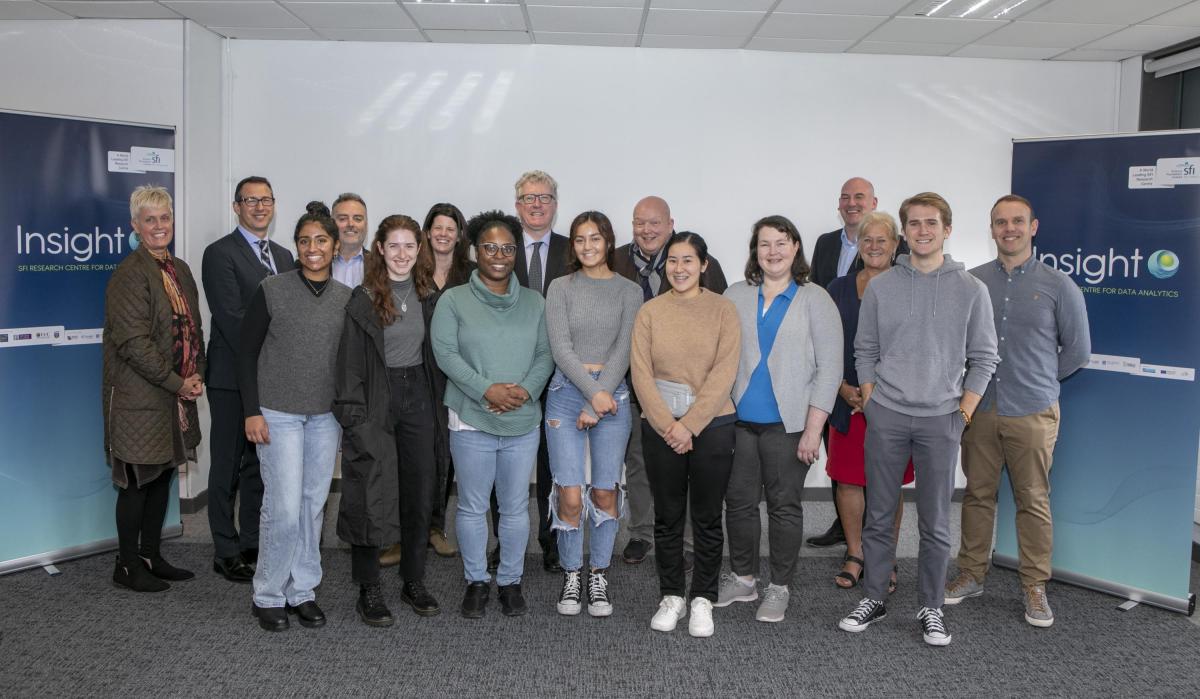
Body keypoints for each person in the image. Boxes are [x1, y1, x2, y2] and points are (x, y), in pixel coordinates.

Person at [837, 193, 998, 647]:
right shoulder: (883, 286)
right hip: (886, 415)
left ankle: (931, 606)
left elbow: (984, 358)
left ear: (947, 229)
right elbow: (864, 349)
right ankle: (874, 596)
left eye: (931, 223)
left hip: (942, 420)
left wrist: (962, 412)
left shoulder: (971, 290)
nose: (922, 231)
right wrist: (871, 400)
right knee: (880, 514)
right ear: (904, 232)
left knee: (935, 522)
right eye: (914, 223)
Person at [944, 195, 1090, 628]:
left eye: (1017, 221)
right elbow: (957, 346)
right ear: (991, 229)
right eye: (1000, 222)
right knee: (977, 495)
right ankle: (971, 573)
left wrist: (1041, 382)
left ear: (1033, 226)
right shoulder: (972, 283)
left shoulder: (1059, 285)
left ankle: (1034, 585)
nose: (1009, 229)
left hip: (1032, 411)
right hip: (980, 409)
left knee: (1033, 500)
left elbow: (1078, 351)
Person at [717, 216, 842, 623]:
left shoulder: (815, 299)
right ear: (755, 250)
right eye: (765, 244)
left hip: (789, 427)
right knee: (738, 503)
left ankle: (780, 586)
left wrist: (813, 429)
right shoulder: (735, 295)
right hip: (737, 421)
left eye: (781, 243)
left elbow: (830, 368)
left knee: (784, 506)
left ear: (796, 248)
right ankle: (743, 578)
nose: (773, 251)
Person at [431, 210, 554, 619]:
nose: (498, 255)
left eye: (506, 248)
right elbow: (446, 354)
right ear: (475, 251)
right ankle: (476, 581)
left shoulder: (536, 302)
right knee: (471, 506)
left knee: (516, 507)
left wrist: (523, 391)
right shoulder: (453, 300)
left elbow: (544, 355)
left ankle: (510, 582)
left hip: (521, 420)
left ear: (515, 252)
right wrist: (487, 389)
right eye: (489, 247)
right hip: (471, 418)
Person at [239, 202, 353, 632]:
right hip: (277, 413)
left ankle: (301, 590)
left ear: (335, 246)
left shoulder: (347, 298)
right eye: (304, 241)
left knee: (311, 505)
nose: (312, 248)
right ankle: (267, 593)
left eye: (321, 240)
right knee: (283, 507)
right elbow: (246, 352)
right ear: (296, 247)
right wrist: (251, 411)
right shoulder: (273, 289)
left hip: (325, 417)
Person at [335, 214, 449, 627]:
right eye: (393, 246)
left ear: (419, 250)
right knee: (371, 492)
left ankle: (413, 580)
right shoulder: (362, 298)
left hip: (418, 396)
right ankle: (369, 588)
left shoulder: (429, 294)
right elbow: (349, 363)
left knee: (419, 490)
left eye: (409, 246)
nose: (402, 254)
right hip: (375, 401)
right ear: (380, 249)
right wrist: (354, 419)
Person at [631, 232, 740, 638]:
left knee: (709, 517)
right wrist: (668, 425)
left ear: (703, 265)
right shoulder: (650, 313)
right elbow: (641, 375)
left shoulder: (724, 310)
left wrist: (689, 425)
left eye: (688, 261)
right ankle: (672, 595)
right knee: (668, 516)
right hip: (660, 426)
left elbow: (724, 374)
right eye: (673, 261)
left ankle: (702, 599)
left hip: (713, 425)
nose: (679, 269)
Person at [612, 195, 728, 567]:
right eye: (639, 223)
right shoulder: (615, 261)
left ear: (670, 223)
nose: (646, 230)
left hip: (695, 391)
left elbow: (719, 326)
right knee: (640, 461)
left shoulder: (702, 263)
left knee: (691, 461)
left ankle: (691, 539)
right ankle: (643, 532)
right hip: (636, 382)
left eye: (655, 222)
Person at [103, 185, 205, 592]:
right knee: (137, 483)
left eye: (165, 218)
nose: (159, 226)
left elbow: (193, 328)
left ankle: (151, 555)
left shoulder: (178, 268)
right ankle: (126, 565)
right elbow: (133, 344)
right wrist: (179, 382)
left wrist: (196, 373)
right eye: (150, 219)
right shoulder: (129, 274)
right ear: (135, 225)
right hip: (139, 398)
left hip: (172, 395)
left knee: (162, 476)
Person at [544, 211, 642, 617]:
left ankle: (598, 573)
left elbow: (624, 350)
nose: (587, 246)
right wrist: (591, 396)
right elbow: (560, 348)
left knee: (604, 491)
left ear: (608, 242)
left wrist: (599, 399)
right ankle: (572, 572)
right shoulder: (560, 288)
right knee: (569, 493)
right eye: (580, 239)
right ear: (573, 246)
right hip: (566, 393)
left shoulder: (629, 291)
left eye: (595, 239)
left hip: (613, 395)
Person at [202, 176, 293, 583]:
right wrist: (283, 346)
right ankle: (225, 548)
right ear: (235, 206)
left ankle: (252, 540)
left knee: (259, 464)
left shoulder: (285, 255)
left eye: (266, 199)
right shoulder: (219, 253)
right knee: (226, 464)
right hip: (229, 376)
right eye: (250, 200)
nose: (259, 206)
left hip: (270, 377)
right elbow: (232, 318)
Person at [825, 212, 913, 592]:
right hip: (846, 398)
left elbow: (915, 348)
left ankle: (885, 556)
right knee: (848, 480)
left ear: (896, 245)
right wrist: (842, 388)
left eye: (882, 240)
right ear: (858, 246)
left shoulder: (910, 287)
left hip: (893, 402)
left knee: (887, 484)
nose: (874, 246)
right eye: (867, 240)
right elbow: (824, 344)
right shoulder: (838, 288)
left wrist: (878, 393)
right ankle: (857, 552)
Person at [490, 170, 571, 575]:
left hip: (559, 374)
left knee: (552, 466)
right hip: (507, 375)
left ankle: (551, 541)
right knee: (502, 464)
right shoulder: (499, 249)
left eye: (544, 197)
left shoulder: (573, 250)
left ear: (555, 204)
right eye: (527, 198)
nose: (536, 204)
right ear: (517, 205)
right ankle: (504, 544)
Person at [808, 177, 876, 549]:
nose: (852, 203)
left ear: (873, 202)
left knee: (877, 463)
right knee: (838, 453)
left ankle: (871, 536)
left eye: (859, 197)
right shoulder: (825, 243)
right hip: (832, 368)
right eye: (846, 198)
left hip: (876, 375)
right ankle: (844, 524)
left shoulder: (891, 252)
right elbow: (816, 296)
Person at [422, 202, 472, 560]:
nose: (443, 234)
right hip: (415, 372)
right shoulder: (412, 269)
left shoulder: (470, 274)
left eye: (450, 228)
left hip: (455, 375)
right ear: (427, 232)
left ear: (459, 235)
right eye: (437, 227)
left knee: (446, 456)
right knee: (413, 454)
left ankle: (436, 526)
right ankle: (405, 530)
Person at [331, 192, 369, 288]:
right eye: (343, 219)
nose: (351, 224)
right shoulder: (315, 264)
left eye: (357, 219)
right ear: (331, 224)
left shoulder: (382, 264)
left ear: (366, 224)